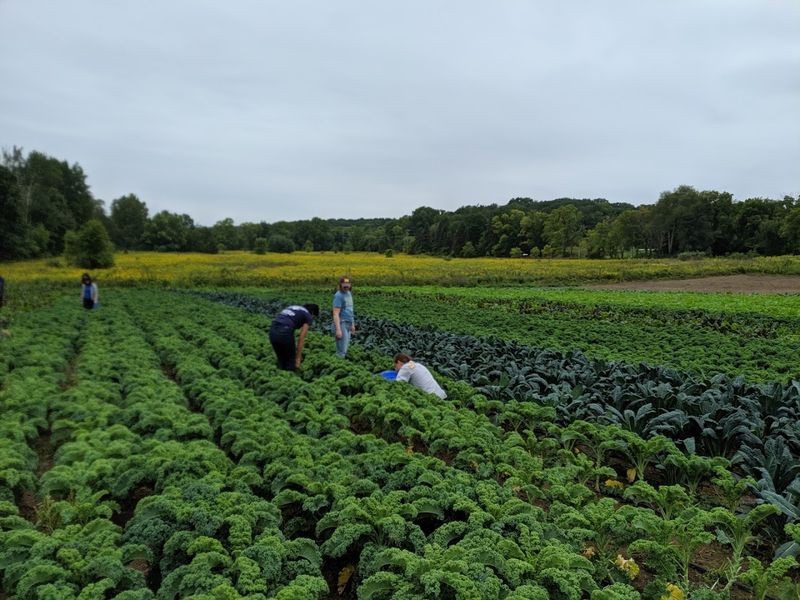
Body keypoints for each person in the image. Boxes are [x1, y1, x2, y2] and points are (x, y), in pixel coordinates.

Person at [269, 303, 320, 371]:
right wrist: (298, 358)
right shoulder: (308, 315)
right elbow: (301, 338)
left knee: (281, 360)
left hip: (272, 330)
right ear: (312, 313)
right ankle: (289, 378)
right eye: (314, 317)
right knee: (291, 362)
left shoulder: (293, 307)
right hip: (285, 331)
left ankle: (279, 376)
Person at [332, 275, 355, 358]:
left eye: (348, 284)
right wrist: (338, 329)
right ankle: (337, 366)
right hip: (341, 323)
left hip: (348, 323)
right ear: (340, 284)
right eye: (344, 284)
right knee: (341, 351)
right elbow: (335, 313)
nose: (346, 286)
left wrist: (352, 325)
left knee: (345, 349)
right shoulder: (338, 296)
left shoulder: (349, 294)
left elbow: (350, 310)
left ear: (350, 285)